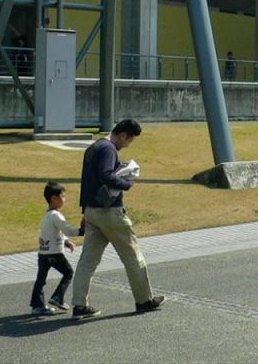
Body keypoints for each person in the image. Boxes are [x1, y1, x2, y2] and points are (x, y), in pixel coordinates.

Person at [70, 119, 164, 319]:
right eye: (128, 141)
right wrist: (126, 183)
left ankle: (79, 305)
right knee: (132, 256)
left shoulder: (94, 147)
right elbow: (106, 175)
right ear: (123, 135)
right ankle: (144, 300)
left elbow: (87, 181)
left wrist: (84, 212)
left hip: (91, 211)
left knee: (87, 261)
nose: (127, 145)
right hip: (110, 212)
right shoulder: (108, 149)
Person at [29, 181, 84, 316]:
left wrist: (66, 242)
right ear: (54, 198)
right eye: (63, 196)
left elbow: (54, 233)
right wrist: (82, 231)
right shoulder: (56, 215)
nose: (65, 199)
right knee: (69, 272)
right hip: (54, 253)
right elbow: (67, 229)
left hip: (43, 253)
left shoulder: (47, 216)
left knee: (41, 280)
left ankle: (37, 305)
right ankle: (57, 297)